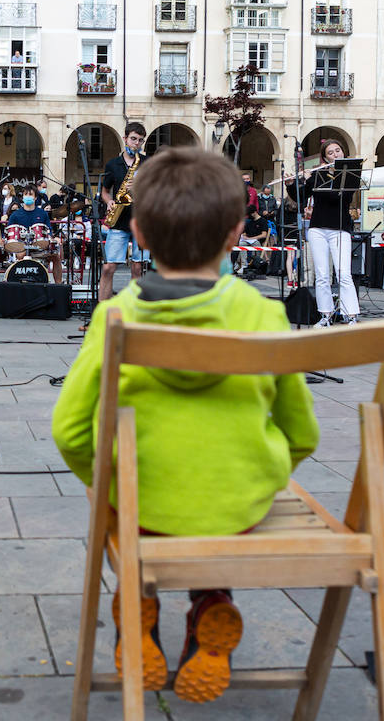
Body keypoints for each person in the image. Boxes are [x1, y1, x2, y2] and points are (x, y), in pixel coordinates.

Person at [52, 147, 319, 705]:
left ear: (140, 233)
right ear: (236, 234)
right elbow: (302, 434)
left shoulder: (113, 318)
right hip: (237, 509)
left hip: (144, 509)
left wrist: (104, 483)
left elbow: (71, 432)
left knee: (131, 507)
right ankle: (210, 606)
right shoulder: (265, 315)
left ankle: (138, 615)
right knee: (212, 502)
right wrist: (258, 472)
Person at [297, 139, 358, 326]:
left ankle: (351, 315)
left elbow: (339, 196)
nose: (335, 155)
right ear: (325, 157)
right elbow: (300, 197)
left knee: (343, 273)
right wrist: (295, 182)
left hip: (340, 228)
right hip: (317, 228)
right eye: (330, 153)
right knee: (322, 275)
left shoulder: (350, 174)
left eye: (337, 150)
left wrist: (311, 179)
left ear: (343, 153)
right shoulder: (318, 174)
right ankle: (326, 314)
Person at [99, 122, 149, 303]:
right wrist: (109, 201)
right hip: (119, 220)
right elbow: (105, 191)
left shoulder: (147, 162)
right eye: (133, 139)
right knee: (108, 267)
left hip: (141, 221)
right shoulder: (113, 164)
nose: (136, 143)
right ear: (125, 138)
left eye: (140, 141)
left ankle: (135, 310)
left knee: (137, 268)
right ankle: (101, 311)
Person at [7, 184, 64, 284]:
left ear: (35, 197)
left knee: (56, 257)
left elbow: (48, 230)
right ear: (23, 197)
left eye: (31, 194)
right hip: (22, 248)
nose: (28, 196)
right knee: (20, 255)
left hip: (39, 247)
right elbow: (9, 233)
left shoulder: (42, 213)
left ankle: (58, 286)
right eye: (26, 194)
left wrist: (54, 238)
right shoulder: (15, 215)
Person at [234, 206, 269, 275]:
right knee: (241, 244)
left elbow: (264, 235)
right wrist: (244, 235)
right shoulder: (250, 222)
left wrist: (252, 238)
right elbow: (245, 232)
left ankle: (256, 262)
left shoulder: (263, 221)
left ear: (255, 212)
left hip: (258, 240)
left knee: (256, 244)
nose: (249, 216)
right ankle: (244, 264)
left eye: (250, 214)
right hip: (248, 239)